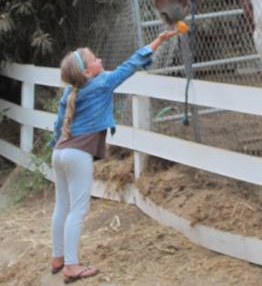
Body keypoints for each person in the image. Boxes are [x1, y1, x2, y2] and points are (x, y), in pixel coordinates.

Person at [49, 30, 177, 283]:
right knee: (78, 209)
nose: (100, 60)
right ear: (87, 72)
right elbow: (132, 64)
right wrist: (159, 41)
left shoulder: (71, 92)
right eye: (95, 59)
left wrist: (57, 144)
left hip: (60, 151)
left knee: (61, 206)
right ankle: (72, 267)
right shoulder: (103, 83)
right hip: (78, 154)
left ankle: (58, 258)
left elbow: (57, 125)